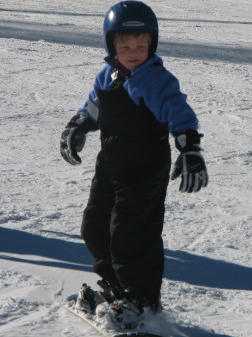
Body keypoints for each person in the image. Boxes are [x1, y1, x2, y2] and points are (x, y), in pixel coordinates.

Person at [60, 0, 208, 327]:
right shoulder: (107, 76)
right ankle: (115, 290)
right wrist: (78, 125)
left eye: (141, 45)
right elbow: (94, 107)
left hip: (145, 168)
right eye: (125, 45)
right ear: (111, 44)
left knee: (131, 234)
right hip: (111, 164)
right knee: (95, 226)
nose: (133, 52)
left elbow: (179, 112)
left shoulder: (155, 79)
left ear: (151, 45)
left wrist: (189, 148)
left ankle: (138, 299)